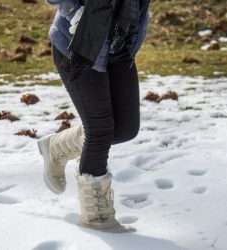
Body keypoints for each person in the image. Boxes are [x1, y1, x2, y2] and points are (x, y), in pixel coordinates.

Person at [37, 0, 150, 232]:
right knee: (100, 131)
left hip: (120, 45)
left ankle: (57, 147)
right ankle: (97, 218)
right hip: (80, 45)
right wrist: (73, 11)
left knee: (125, 129)